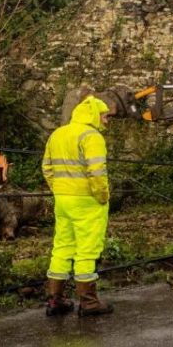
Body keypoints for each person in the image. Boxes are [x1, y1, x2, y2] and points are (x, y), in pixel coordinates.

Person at [42, 95, 113, 317]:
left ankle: (55, 300)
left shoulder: (58, 133)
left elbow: (47, 168)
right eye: (104, 116)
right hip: (87, 201)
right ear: (93, 115)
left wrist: (60, 189)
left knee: (62, 246)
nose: (106, 121)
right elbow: (97, 172)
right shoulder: (92, 136)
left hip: (62, 200)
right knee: (87, 250)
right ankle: (89, 302)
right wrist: (102, 195)